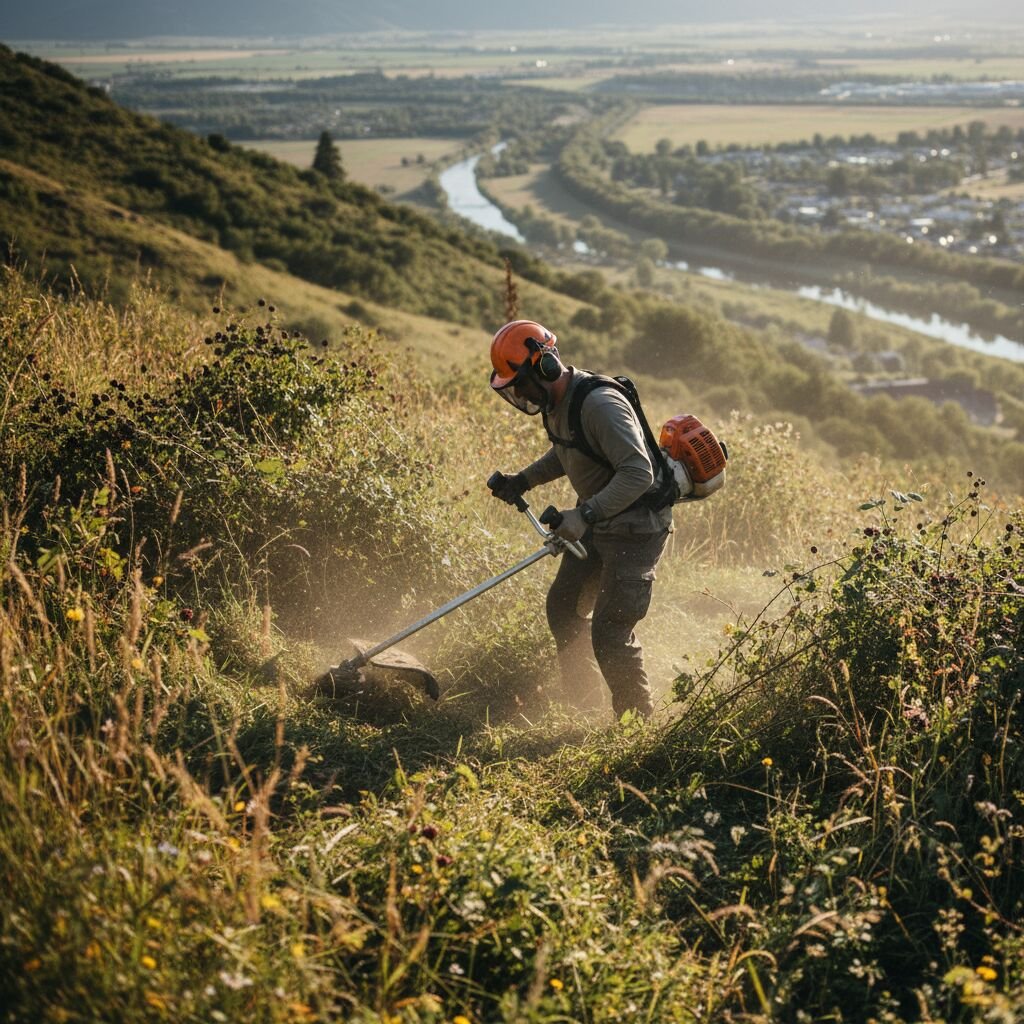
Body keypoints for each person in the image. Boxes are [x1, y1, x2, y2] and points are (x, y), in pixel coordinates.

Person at [487, 319, 672, 719]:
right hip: (600, 521)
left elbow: (638, 472)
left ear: (545, 365)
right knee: (564, 608)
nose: (520, 395)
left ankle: (637, 727)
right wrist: (523, 480)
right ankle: (583, 707)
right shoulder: (559, 404)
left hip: (636, 529)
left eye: (521, 384)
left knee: (610, 632)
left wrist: (585, 514)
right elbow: (569, 450)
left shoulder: (600, 405)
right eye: (512, 389)